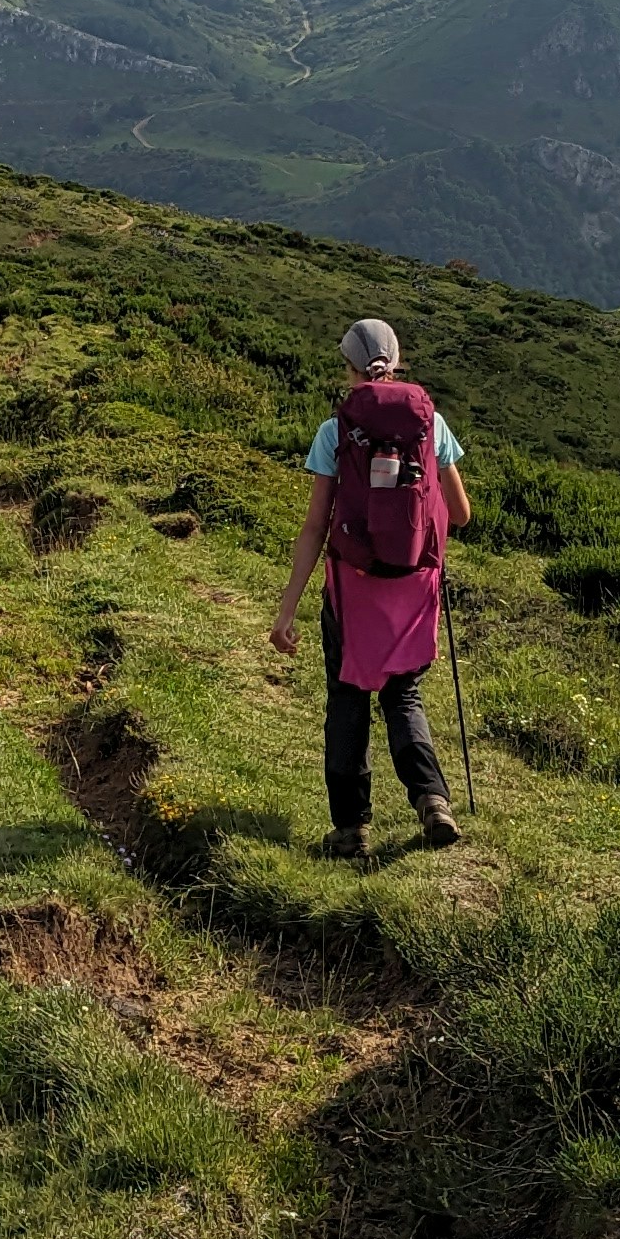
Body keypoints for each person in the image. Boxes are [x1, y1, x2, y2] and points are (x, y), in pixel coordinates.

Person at [267, 317, 469, 859]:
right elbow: (462, 513)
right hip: (413, 583)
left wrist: (287, 612)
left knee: (348, 696)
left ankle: (351, 828)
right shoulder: (431, 424)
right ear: (396, 361)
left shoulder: (335, 432)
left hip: (352, 588)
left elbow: (315, 527)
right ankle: (432, 800)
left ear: (350, 367)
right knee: (403, 693)